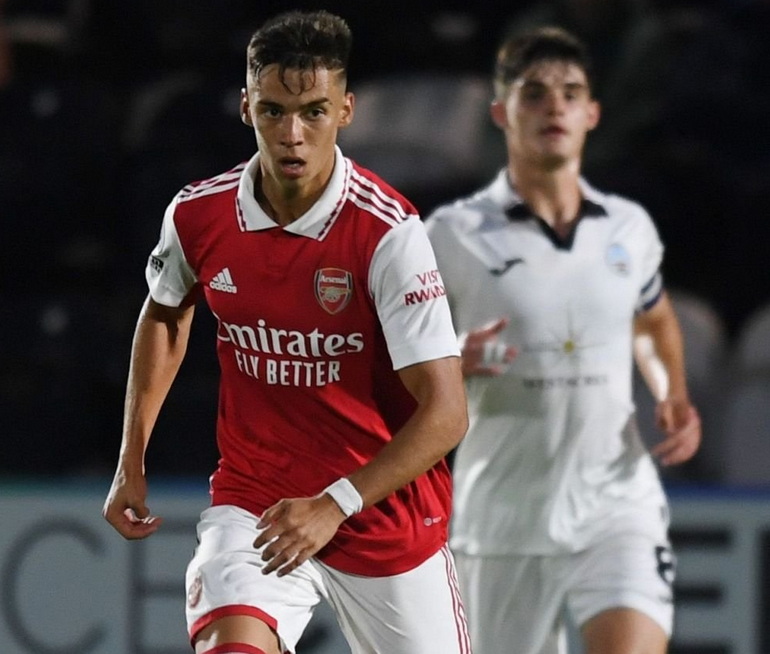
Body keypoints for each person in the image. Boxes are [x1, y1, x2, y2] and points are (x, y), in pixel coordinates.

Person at [102, 10, 471, 654]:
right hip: (258, 504)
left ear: (346, 110)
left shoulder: (387, 233)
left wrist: (334, 504)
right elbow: (165, 312)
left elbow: (446, 414)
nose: (292, 135)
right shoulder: (198, 215)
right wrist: (131, 458)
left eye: (314, 113)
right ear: (247, 107)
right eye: (273, 111)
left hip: (382, 515)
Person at [425, 26, 701, 654]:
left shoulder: (627, 228)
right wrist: (452, 361)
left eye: (571, 93)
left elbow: (652, 318)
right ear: (501, 112)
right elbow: (394, 361)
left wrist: (672, 393)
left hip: (617, 502)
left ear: (593, 113)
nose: (555, 107)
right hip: (502, 520)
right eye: (535, 93)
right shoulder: (452, 234)